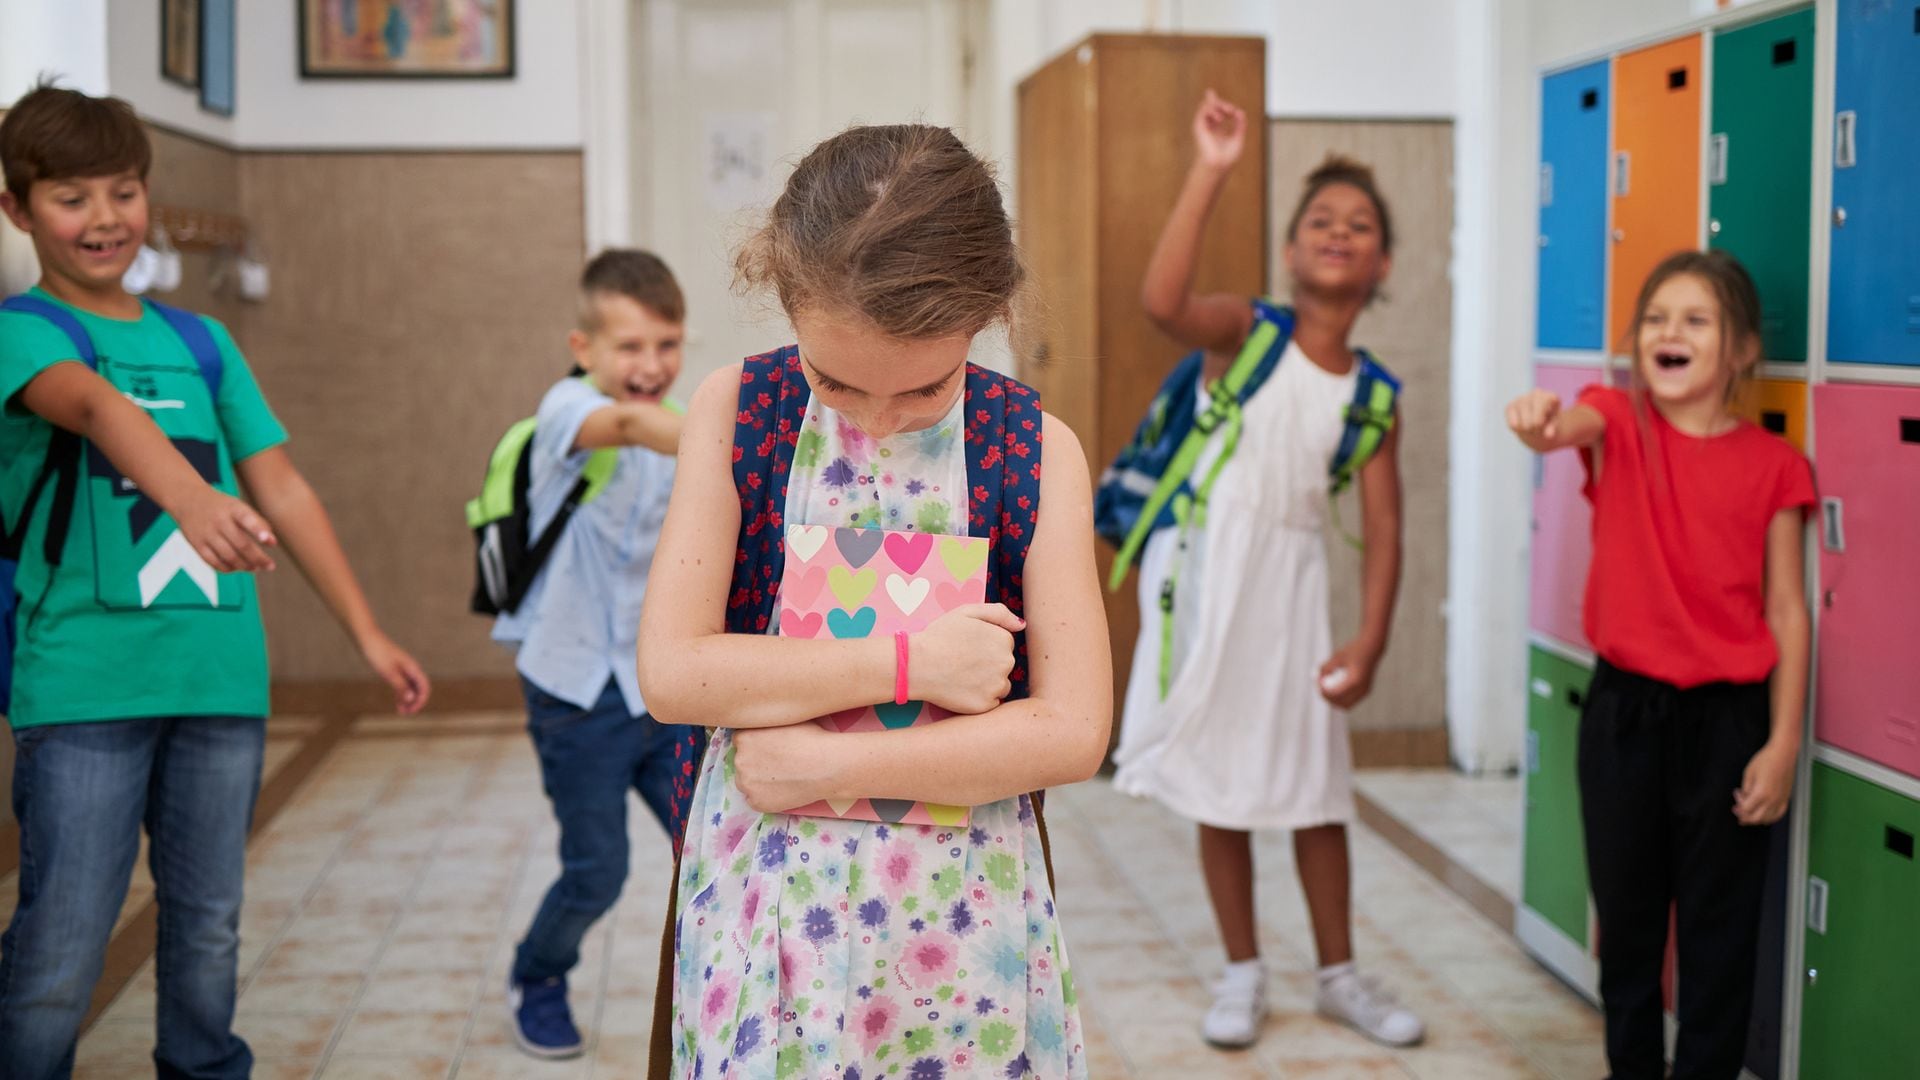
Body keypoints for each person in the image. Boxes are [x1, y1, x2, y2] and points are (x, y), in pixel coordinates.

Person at [636, 122, 1111, 1077]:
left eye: (925, 390)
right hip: (761, 908)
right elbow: (674, 672)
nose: (878, 423)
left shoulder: (1035, 449)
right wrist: (913, 663)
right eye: (836, 382)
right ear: (785, 296)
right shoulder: (738, 412)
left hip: (968, 923)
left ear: (989, 315)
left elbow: (1072, 731)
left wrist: (824, 765)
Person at [0, 80, 429, 1080]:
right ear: (17, 209)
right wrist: (193, 502)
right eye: (71, 197)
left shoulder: (202, 341)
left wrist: (367, 634)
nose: (104, 218)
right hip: (85, 686)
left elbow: (282, 487)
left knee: (208, 926)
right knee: (62, 945)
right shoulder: (25, 330)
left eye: (123, 191)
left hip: (220, 679)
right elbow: (99, 410)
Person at [1110, 90, 1422, 1049]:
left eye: (1359, 225)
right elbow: (1163, 302)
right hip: (1212, 577)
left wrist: (1370, 641)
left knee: (1316, 785)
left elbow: (1386, 528)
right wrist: (1211, 169)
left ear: (1382, 264)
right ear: (1291, 250)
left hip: (1292, 592)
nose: (1339, 232)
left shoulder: (1372, 397)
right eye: (1320, 219)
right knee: (1222, 776)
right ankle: (1242, 972)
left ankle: (1339, 975)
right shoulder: (1248, 334)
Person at [1506, 248, 1812, 1080]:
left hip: (1730, 724)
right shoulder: (1616, 420)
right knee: (1630, 932)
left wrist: (1782, 743)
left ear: (1742, 349)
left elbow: (1787, 611)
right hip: (1624, 718)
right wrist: (1536, 418)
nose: (1669, 333)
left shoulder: (1777, 466)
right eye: (1655, 319)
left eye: (1695, 320)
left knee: (1720, 935)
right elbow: (1559, 428)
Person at [489, 248, 700, 1059]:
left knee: (710, 843)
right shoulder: (569, 409)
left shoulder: (679, 427)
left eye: (668, 344)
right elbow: (633, 425)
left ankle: (721, 986)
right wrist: (736, 439)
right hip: (574, 690)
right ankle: (538, 972)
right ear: (585, 348)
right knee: (598, 869)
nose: (651, 365)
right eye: (630, 346)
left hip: (659, 688)